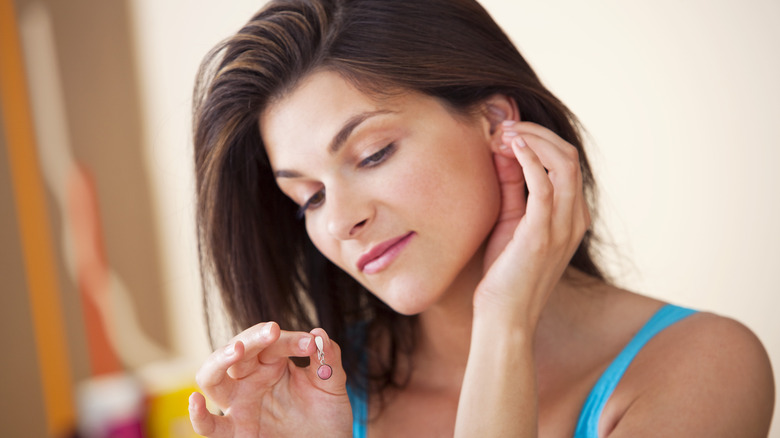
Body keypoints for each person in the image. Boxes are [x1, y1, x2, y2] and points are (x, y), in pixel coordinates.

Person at [187, 0, 775, 436]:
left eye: (372, 154)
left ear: (496, 122)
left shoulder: (703, 366)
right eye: (309, 197)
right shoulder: (307, 406)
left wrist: (504, 321)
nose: (340, 220)